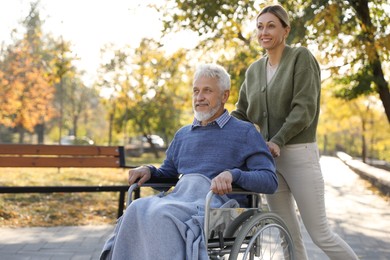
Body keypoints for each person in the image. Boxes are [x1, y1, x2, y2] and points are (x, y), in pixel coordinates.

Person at [100, 63, 278, 260]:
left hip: (216, 203)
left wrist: (233, 175)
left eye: (207, 91)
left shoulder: (245, 132)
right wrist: (148, 170)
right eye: (196, 91)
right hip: (182, 196)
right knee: (136, 208)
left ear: (224, 96)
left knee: (163, 215)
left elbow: (269, 180)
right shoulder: (184, 134)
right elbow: (168, 173)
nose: (199, 97)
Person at [231, 4, 359, 260]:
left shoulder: (301, 58)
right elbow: (241, 112)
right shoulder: (254, 70)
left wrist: (278, 139)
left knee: (320, 233)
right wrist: (217, 125)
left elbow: (305, 109)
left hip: (299, 155)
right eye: (259, 26)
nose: (263, 31)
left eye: (270, 26)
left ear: (285, 30)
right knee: (287, 235)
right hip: (268, 162)